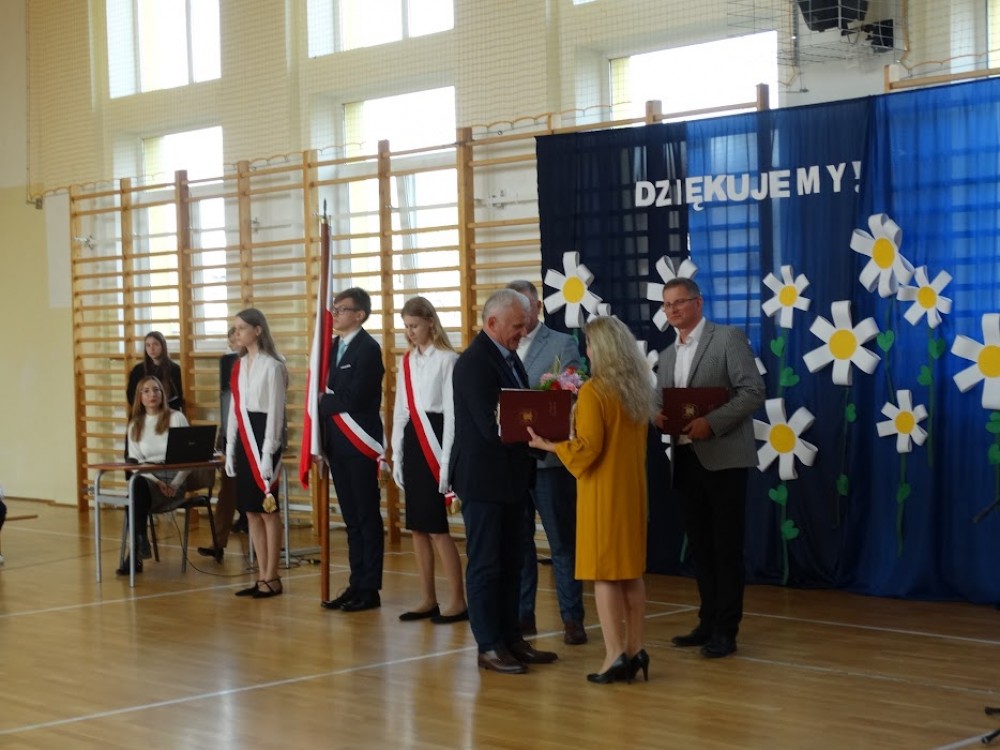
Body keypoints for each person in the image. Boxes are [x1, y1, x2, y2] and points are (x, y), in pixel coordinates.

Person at [527, 316, 655, 683]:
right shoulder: (638, 389)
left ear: (600, 349)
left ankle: (614, 655)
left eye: (589, 345)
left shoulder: (594, 392)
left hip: (603, 494)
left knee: (605, 576)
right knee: (631, 573)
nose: (587, 352)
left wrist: (549, 445)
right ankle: (636, 649)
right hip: (632, 491)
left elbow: (587, 449)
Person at [448, 288, 558, 675]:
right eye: (516, 326)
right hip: (484, 482)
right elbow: (491, 424)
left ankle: (512, 638)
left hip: (512, 478)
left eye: (525, 326)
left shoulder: (508, 358)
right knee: (486, 564)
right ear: (492, 323)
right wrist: (539, 436)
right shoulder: (474, 363)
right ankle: (489, 645)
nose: (522, 333)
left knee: (514, 562)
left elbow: (519, 413)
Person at [654, 277, 765, 659]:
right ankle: (706, 621)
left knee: (726, 547)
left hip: (724, 458)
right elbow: (659, 401)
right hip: (685, 460)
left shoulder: (727, 338)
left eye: (679, 302)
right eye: (667, 305)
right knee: (701, 548)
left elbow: (753, 391)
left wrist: (712, 423)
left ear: (698, 303)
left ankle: (726, 630)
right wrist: (655, 415)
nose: (672, 310)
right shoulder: (667, 354)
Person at [506, 280, 587, 645]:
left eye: (526, 308)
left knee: (562, 543)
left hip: (551, 461)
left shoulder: (561, 342)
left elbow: (571, 393)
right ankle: (524, 615)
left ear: (537, 307)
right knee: (520, 543)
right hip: (513, 459)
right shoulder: (500, 346)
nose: (520, 316)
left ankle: (572, 618)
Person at [391, 296, 467, 624]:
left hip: (436, 440)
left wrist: (446, 460)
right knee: (418, 528)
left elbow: (452, 414)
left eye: (415, 325)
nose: (410, 332)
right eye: (406, 326)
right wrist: (396, 453)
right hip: (413, 441)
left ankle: (458, 601)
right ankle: (427, 598)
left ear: (430, 323)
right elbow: (400, 410)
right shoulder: (406, 361)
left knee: (437, 528)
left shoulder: (448, 360)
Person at [319, 288, 386, 613]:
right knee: (351, 519)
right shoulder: (331, 347)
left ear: (359, 315)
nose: (335, 314)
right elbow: (333, 392)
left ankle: (370, 588)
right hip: (337, 444)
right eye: (334, 308)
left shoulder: (368, 349)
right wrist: (328, 401)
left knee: (366, 516)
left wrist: (323, 402)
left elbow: (355, 397)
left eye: (341, 309)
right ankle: (356, 583)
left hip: (360, 443)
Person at [119, 375, 214, 575]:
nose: (152, 394)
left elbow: (189, 457)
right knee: (136, 486)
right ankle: (138, 546)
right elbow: (134, 463)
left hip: (174, 478)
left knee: (133, 497)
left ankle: (136, 552)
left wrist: (175, 483)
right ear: (139, 397)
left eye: (156, 390)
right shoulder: (135, 424)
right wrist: (155, 481)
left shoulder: (176, 417)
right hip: (148, 477)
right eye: (146, 391)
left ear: (162, 394)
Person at [225, 309, 288, 599]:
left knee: (267, 510)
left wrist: (267, 453)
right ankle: (261, 574)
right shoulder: (239, 366)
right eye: (235, 328)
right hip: (244, 439)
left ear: (258, 330)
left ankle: (272, 576)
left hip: (265, 438)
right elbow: (235, 410)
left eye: (241, 328)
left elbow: (275, 414)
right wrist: (229, 448)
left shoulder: (273, 366)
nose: (237, 333)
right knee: (250, 511)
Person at [198, 326, 245, 562]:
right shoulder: (228, 363)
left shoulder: (265, 361)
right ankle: (218, 542)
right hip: (230, 430)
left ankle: (264, 550)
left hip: (252, 432)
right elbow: (227, 401)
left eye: (240, 335)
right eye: (233, 337)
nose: (237, 340)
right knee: (227, 490)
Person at [126, 331, 184, 411]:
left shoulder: (175, 369)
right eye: (148, 345)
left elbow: (179, 396)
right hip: (144, 412)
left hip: (168, 412)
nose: (151, 349)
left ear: (163, 346)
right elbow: (131, 396)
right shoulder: (138, 370)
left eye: (155, 344)